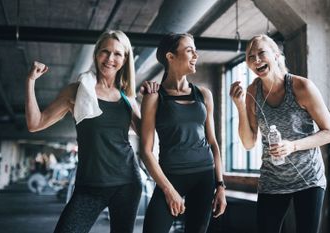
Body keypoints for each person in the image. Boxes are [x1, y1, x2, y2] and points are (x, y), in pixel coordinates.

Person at [25, 30, 157, 233]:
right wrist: (31, 81)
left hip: (127, 182)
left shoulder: (126, 97)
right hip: (90, 185)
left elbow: (145, 134)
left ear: (124, 59)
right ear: (96, 54)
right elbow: (35, 123)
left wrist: (150, 100)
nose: (110, 59)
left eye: (117, 54)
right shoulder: (77, 91)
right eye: (105, 52)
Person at [229, 34, 330, 233]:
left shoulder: (301, 87)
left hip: (308, 178)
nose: (256, 60)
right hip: (272, 180)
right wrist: (240, 107)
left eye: (261, 53)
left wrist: (293, 145)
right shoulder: (253, 92)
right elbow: (248, 142)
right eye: (250, 57)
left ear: (276, 55)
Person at [140, 33, 227, 233]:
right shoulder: (154, 97)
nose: (196, 55)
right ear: (170, 57)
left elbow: (213, 142)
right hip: (170, 177)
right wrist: (168, 190)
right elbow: (145, 151)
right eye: (189, 50)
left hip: (204, 176)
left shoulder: (204, 94)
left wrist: (220, 185)